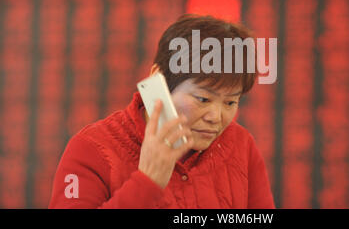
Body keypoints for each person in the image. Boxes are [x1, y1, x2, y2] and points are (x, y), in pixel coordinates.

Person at [49, 14, 275, 208]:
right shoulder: (92, 148)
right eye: (203, 99)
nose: (216, 117)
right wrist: (148, 182)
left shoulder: (240, 145)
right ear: (158, 79)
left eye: (230, 103)